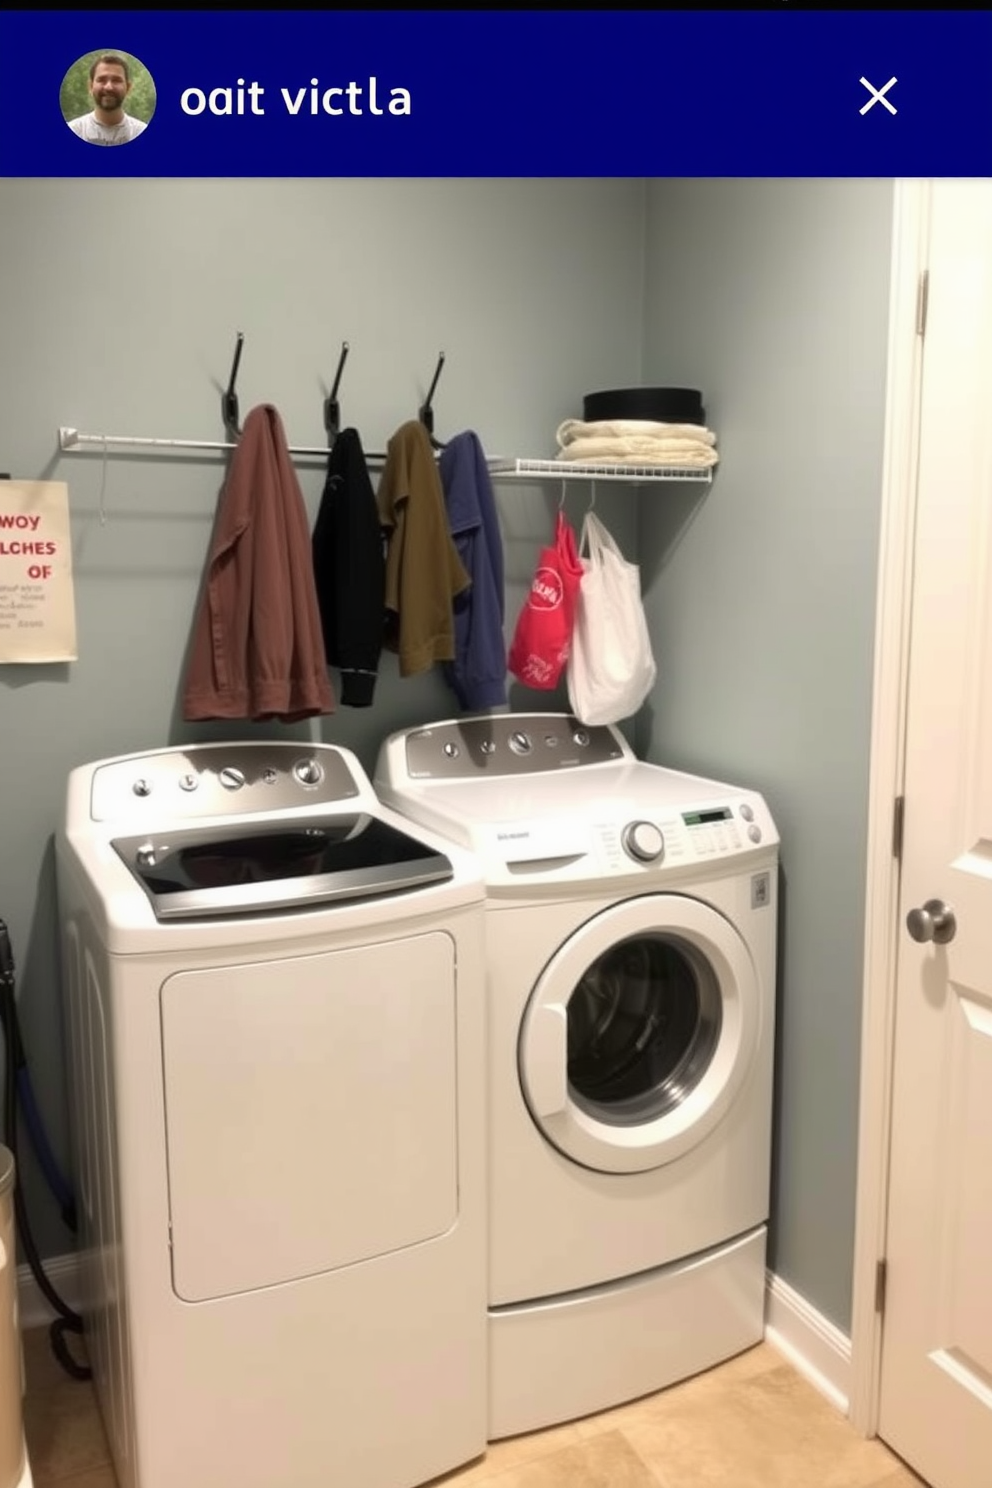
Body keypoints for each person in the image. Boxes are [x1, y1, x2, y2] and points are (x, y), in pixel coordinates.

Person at [67, 54, 148, 145]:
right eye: (101, 80)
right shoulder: (74, 130)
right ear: (90, 86)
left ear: (128, 88)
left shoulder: (141, 132)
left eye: (116, 80)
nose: (109, 87)